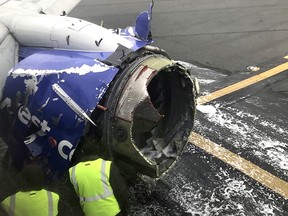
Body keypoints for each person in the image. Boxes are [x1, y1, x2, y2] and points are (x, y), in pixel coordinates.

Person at [68, 136, 130, 216]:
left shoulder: (72, 171)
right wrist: (126, 209)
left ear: (82, 152)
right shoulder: (107, 166)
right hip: (113, 212)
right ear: (97, 149)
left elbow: (74, 199)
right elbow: (121, 190)